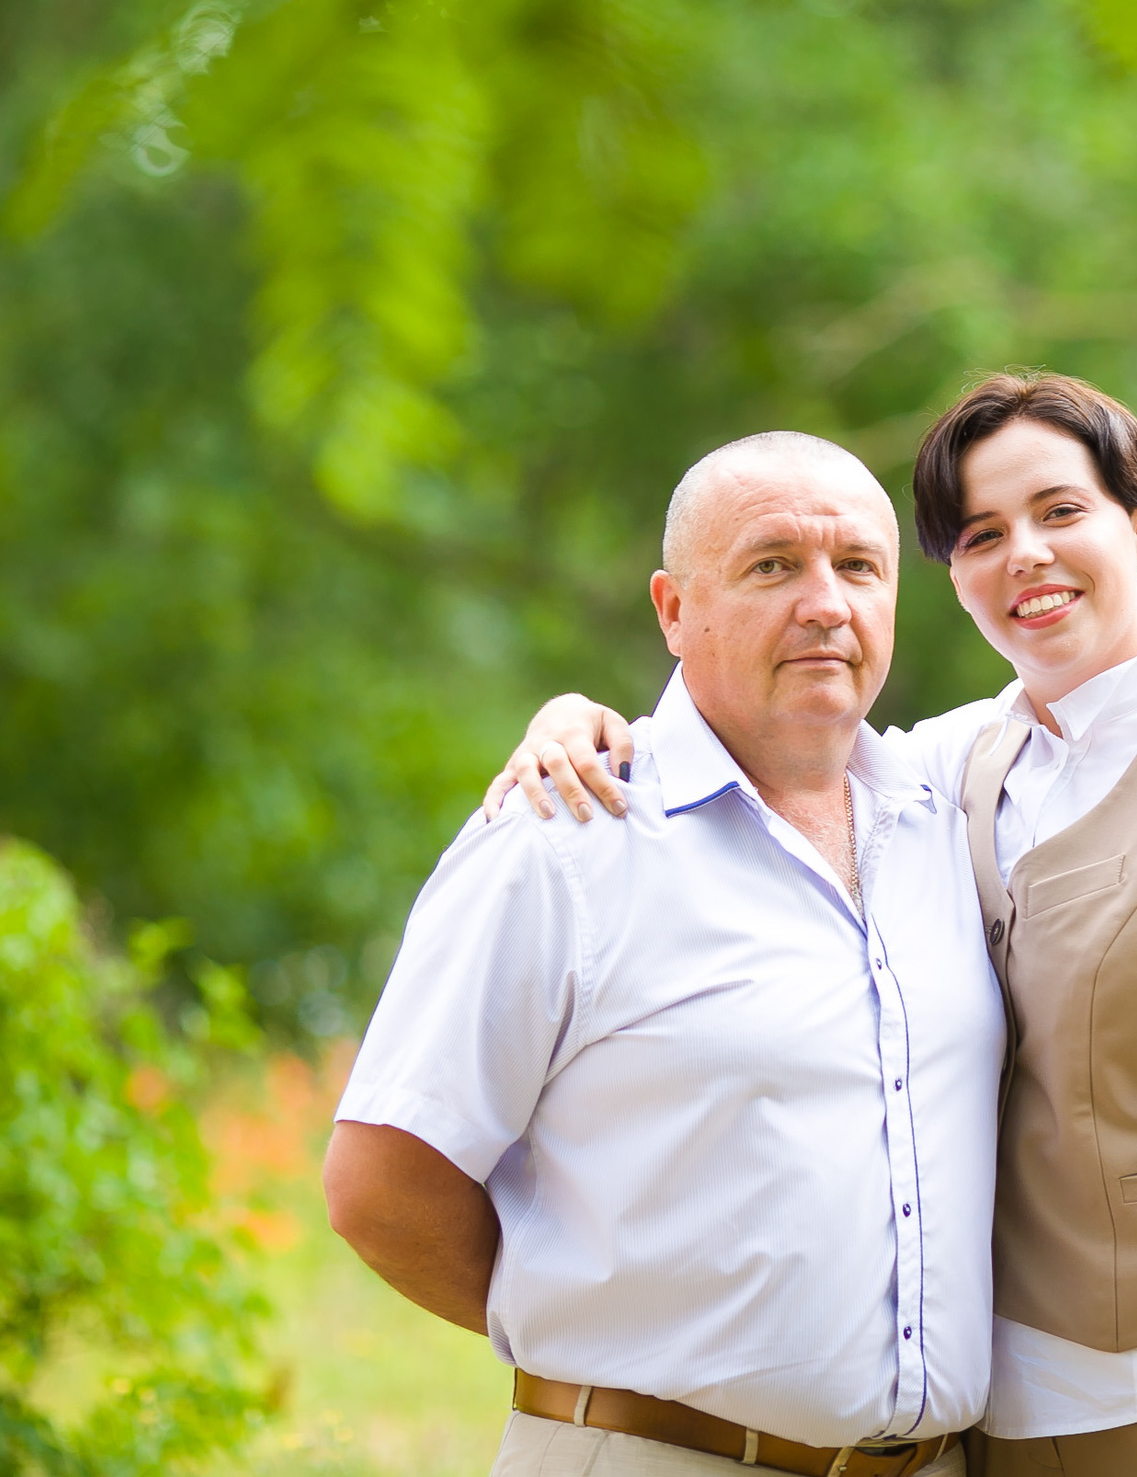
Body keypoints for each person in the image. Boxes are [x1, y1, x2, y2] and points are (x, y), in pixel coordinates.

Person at [490, 375, 1137, 1477]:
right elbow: (757, 740)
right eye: (981, 535)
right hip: (1005, 1434)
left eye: (1060, 511)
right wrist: (579, 722)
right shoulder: (955, 762)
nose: (1025, 555)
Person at [328, 432, 1001, 1477]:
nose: (826, 603)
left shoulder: (949, 820)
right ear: (673, 609)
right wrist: (604, 1346)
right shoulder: (564, 839)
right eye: (773, 565)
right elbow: (379, 1185)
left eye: (859, 566)